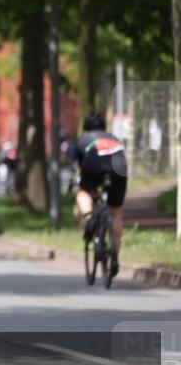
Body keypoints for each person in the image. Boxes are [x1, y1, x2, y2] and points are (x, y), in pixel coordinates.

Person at [68, 113, 128, 276]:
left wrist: (76, 185)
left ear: (85, 128)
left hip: (93, 164)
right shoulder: (113, 138)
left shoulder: (83, 139)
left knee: (83, 192)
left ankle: (89, 220)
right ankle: (115, 254)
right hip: (119, 166)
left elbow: (76, 165)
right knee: (115, 212)